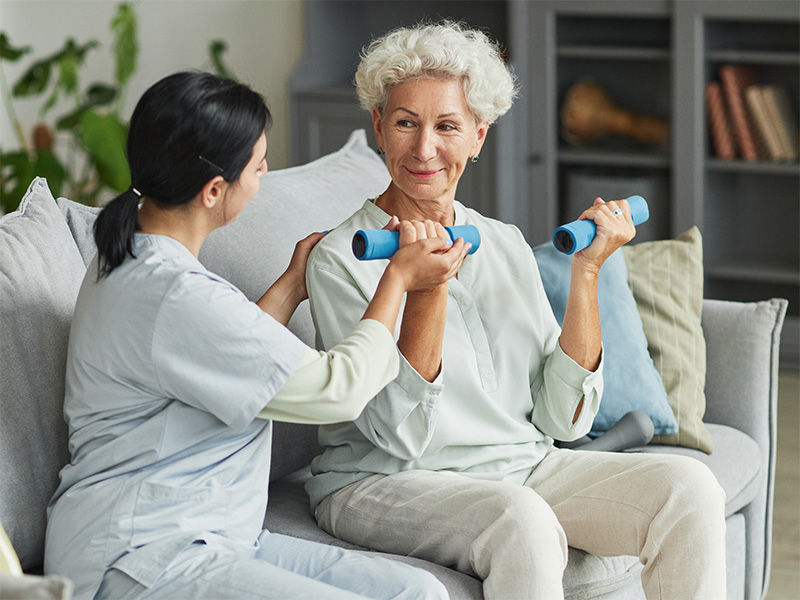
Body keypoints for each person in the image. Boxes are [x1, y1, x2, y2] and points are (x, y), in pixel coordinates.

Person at [305, 22, 727, 600]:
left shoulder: (501, 242)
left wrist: (587, 273)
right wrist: (427, 289)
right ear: (379, 126)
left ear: (479, 136)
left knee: (690, 489)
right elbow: (399, 436)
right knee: (521, 519)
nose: (424, 148)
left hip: (518, 464)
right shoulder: (338, 260)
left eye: (447, 126)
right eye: (405, 122)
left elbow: (562, 420)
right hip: (382, 480)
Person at [44, 71, 467, 600]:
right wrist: (399, 280)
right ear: (215, 190)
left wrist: (291, 286)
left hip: (217, 534)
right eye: (259, 166)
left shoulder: (134, 256)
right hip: (142, 557)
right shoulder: (171, 292)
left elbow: (227, 354)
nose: (265, 177)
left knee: (419, 593)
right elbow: (338, 389)